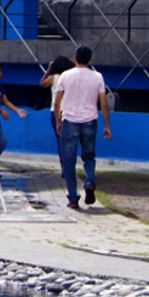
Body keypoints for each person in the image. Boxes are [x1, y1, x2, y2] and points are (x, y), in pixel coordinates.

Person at [54, 46, 113, 210]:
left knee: (68, 160)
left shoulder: (65, 75)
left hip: (70, 120)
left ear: (75, 58)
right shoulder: (97, 77)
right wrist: (107, 126)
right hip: (90, 120)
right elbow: (103, 103)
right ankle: (89, 182)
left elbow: (57, 101)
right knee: (89, 156)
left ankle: (73, 197)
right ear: (90, 60)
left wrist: (58, 120)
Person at [38, 54, 74, 147]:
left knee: (60, 139)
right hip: (68, 111)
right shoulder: (71, 77)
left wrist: (48, 70)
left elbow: (42, 83)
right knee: (69, 139)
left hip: (55, 111)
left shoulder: (53, 78)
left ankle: (63, 159)